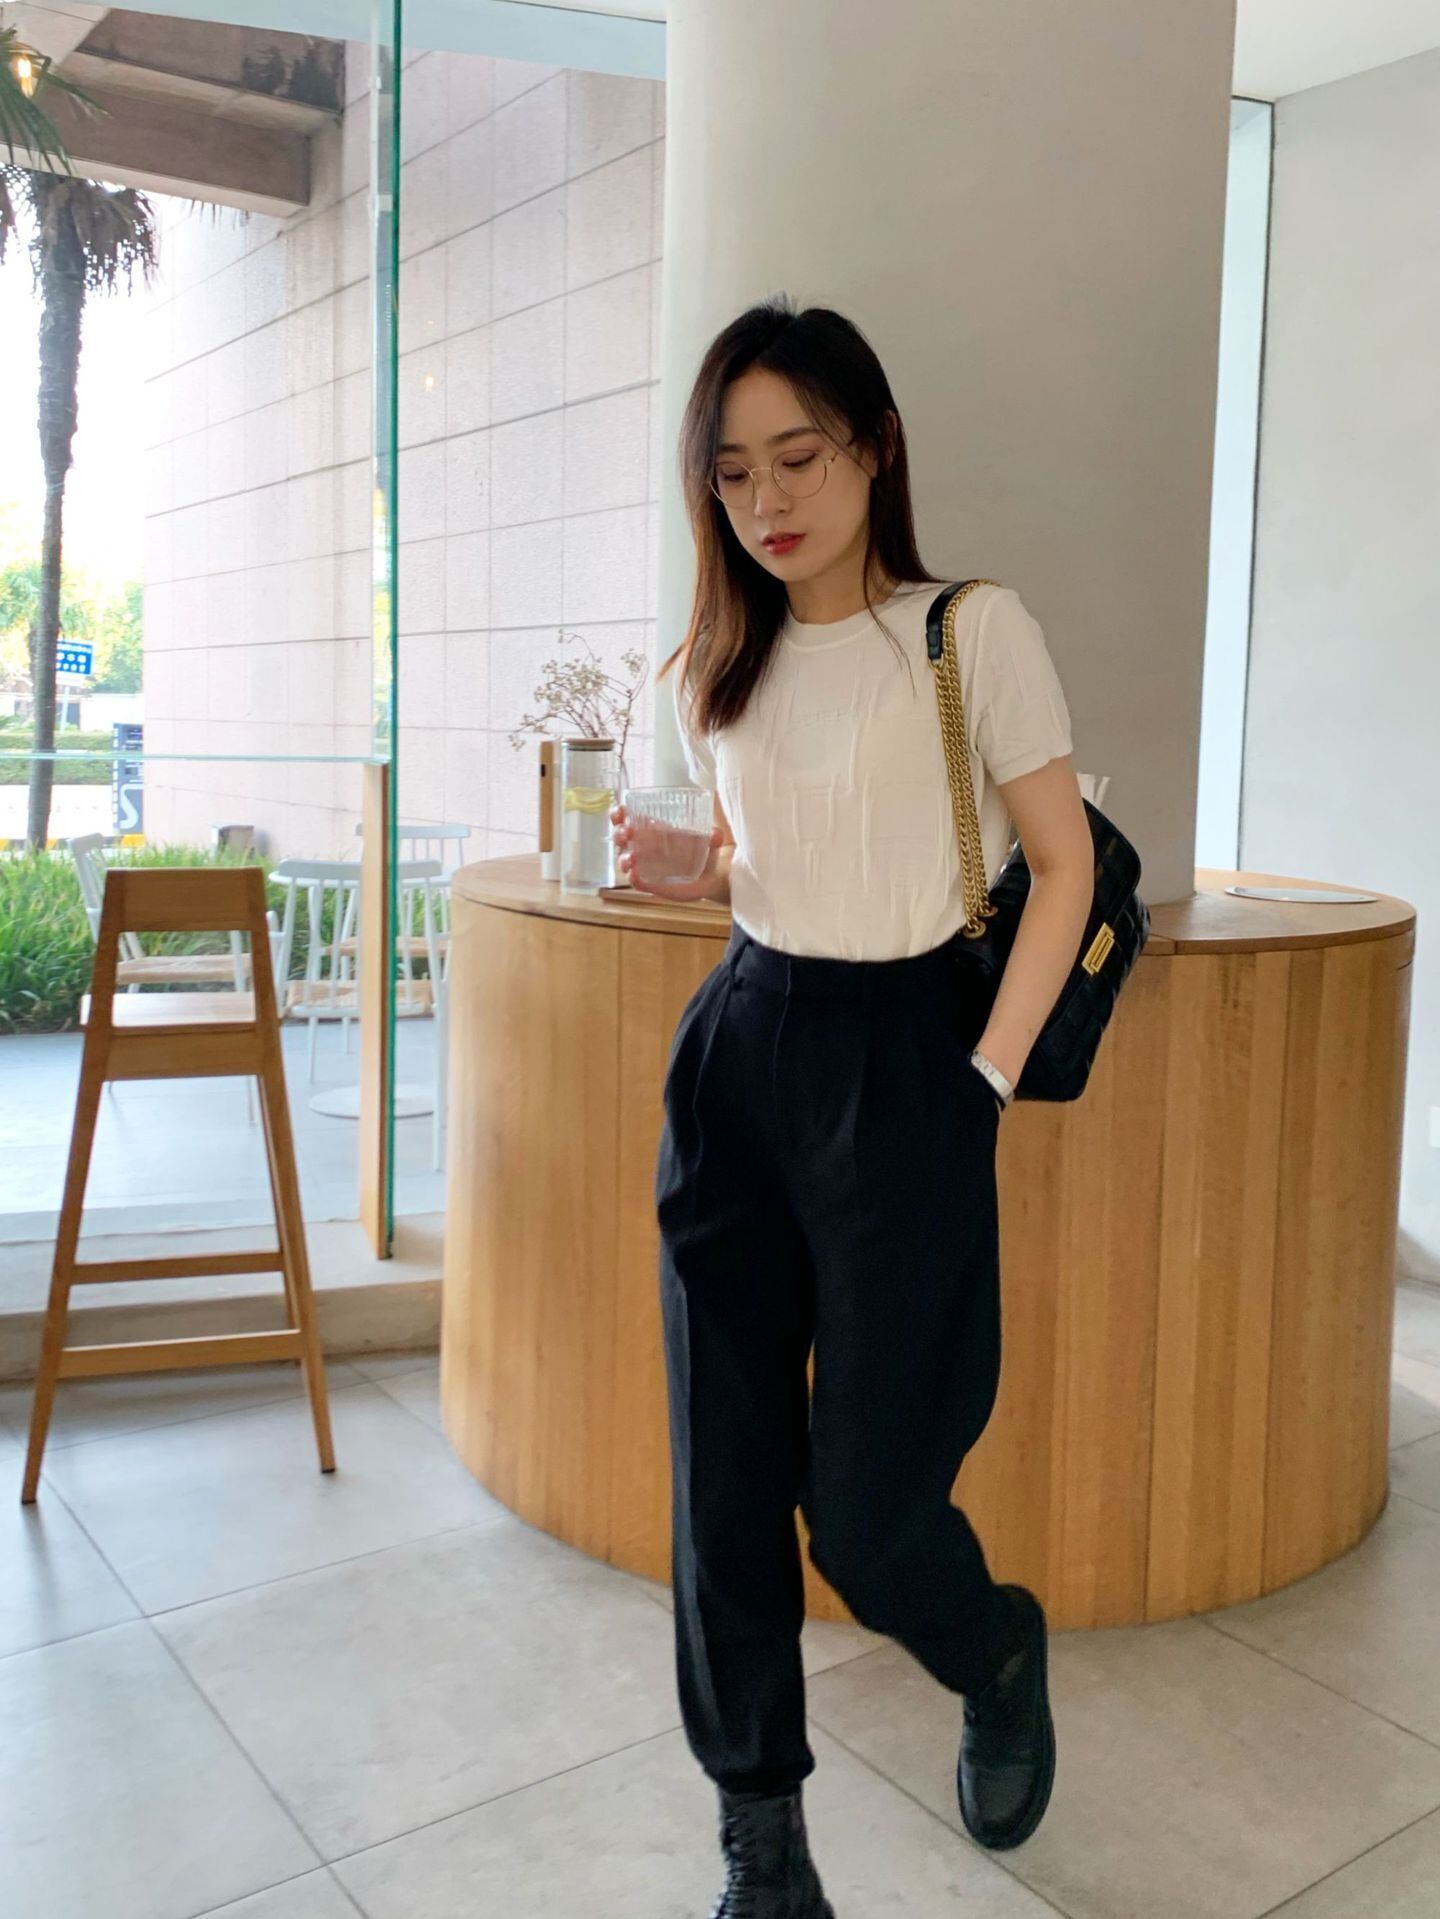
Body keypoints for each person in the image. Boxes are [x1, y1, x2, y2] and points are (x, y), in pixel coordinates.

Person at [610, 297, 1095, 1919]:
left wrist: (984, 1078)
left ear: (876, 448)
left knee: (872, 1516)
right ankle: (762, 1835)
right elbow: (775, 863)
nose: (768, 499)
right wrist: (699, 868)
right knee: (723, 1485)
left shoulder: (969, 631)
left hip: (910, 1069)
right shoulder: (718, 659)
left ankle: (993, 1647)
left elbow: (1062, 867)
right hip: (742, 1054)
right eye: (733, 470)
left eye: (798, 456)